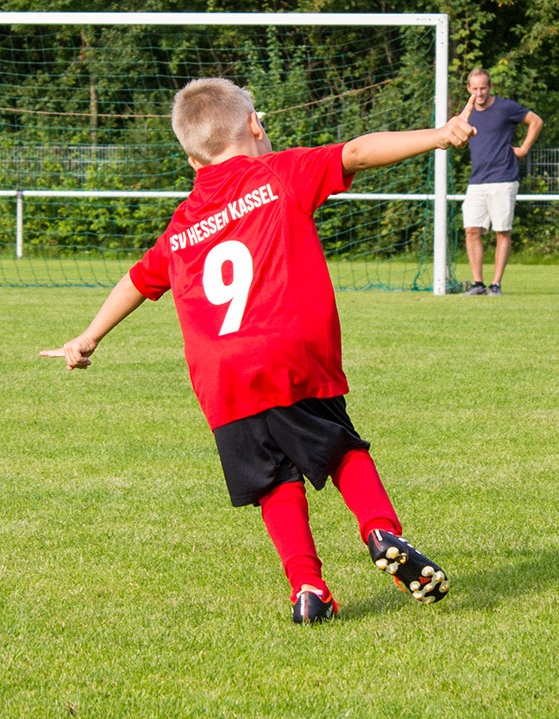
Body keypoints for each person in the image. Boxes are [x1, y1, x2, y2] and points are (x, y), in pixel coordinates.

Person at [41, 78, 476, 624]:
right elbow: (358, 152)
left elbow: (137, 280)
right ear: (253, 125)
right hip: (286, 350)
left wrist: (88, 337)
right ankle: (380, 530)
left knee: (273, 483)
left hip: (220, 374)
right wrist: (439, 135)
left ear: (192, 159)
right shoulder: (278, 173)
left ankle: (308, 589)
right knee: (340, 448)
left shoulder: (183, 223)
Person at [461, 67, 543, 296]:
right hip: (476, 180)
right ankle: (478, 284)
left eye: (483, 88)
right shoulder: (467, 112)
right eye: (475, 89)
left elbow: (536, 121)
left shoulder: (505, 107)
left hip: (503, 178)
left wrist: (524, 149)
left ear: (490, 87)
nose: (479, 93)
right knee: (471, 230)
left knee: (502, 231)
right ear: (468, 88)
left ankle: (496, 284)